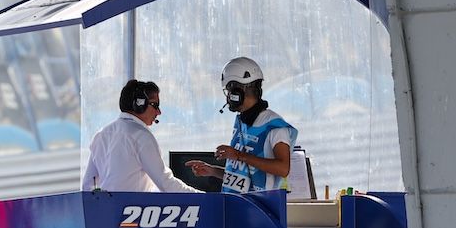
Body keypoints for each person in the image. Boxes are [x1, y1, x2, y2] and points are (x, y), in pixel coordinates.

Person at [189, 57, 296, 194]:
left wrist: (239, 155)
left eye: (229, 91)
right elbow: (245, 177)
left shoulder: (273, 125)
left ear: (237, 92)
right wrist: (213, 171)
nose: (228, 97)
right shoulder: (241, 122)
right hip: (237, 205)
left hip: (261, 208)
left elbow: (283, 168)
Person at [82, 79, 197, 193]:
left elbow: (88, 186)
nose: (159, 112)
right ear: (139, 104)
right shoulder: (141, 136)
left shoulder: (101, 135)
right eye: (155, 105)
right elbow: (165, 184)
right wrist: (203, 197)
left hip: (106, 209)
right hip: (132, 210)